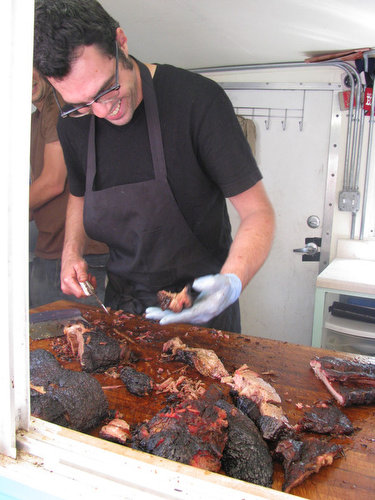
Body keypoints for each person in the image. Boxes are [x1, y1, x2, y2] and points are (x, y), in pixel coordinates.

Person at [33, 0, 275, 332]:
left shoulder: (197, 102)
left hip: (203, 311)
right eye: (82, 104)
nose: (103, 112)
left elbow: (258, 213)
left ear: (121, 43)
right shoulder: (73, 124)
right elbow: (78, 194)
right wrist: (71, 252)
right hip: (123, 312)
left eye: (107, 90)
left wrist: (231, 280)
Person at [29, 67, 109, 307]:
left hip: (80, 254)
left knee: (85, 338)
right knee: (44, 339)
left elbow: (52, 182)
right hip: (49, 248)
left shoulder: (59, 105)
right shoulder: (36, 119)